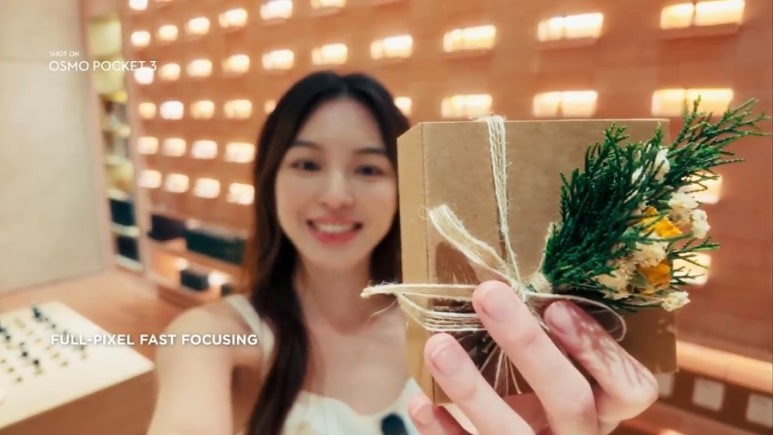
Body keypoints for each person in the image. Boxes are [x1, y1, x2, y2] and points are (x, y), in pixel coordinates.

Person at [147, 71, 659, 435]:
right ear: (268, 181)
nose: (336, 195)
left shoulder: (460, 334)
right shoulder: (208, 339)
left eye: (368, 169)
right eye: (306, 164)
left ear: (404, 187)